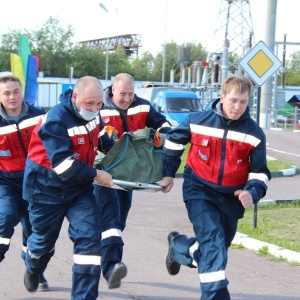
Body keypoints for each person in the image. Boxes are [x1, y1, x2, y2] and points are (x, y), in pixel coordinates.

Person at [159, 74, 272, 300]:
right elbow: (173, 141)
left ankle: (180, 246)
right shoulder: (197, 120)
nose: (238, 107)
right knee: (213, 243)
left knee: (214, 251)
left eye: (243, 102)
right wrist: (168, 174)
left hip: (232, 196)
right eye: (233, 100)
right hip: (199, 189)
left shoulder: (254, 133)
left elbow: (260, 173)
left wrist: (252, 192)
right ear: (222, 97)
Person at [22, 76, 115, 299]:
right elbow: (63, 167)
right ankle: (33, 267)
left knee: (90, 238)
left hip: (78, 190)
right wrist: (97, 174)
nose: (94, 108)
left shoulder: (95, 113)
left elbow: (102, 138)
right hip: (45, 190)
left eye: (99, 103)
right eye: (89, 103)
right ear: (75, 97)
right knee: (43, 243)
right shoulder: (56, 119)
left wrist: (122, 156)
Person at [94, 73, 172, 289]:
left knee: (119, 222)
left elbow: (162, 123)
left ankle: (101, 251)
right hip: (104, 175)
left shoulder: (143, 107)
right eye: (123, 94)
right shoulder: (99, 107)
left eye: (131, 94)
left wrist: (164, 134)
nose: (127, 99)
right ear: (112, 90)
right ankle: (111, 267)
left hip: (128, 175)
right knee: (110, 221)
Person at [0, 75, 49, 291]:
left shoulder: (39, 115)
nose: (12, 97)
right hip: (5, 183)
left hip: (35, 182)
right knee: (5, 218)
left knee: (35, 230)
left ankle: (34, 270)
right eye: (6, 93)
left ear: (22, 92)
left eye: (15, 91)